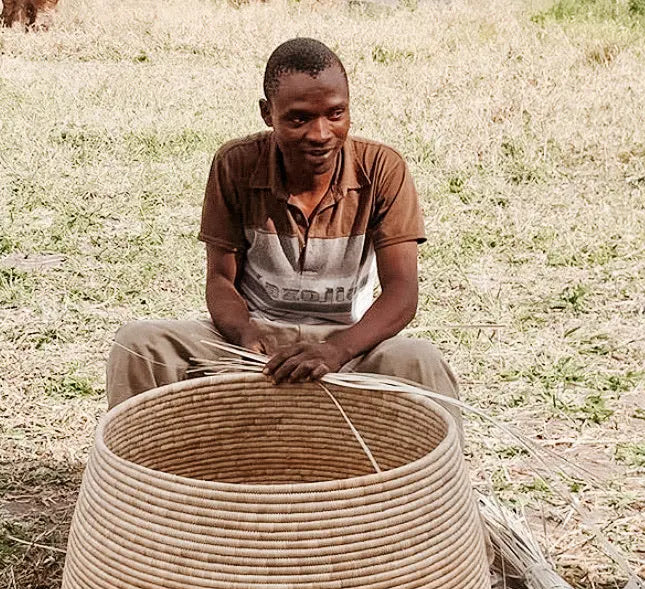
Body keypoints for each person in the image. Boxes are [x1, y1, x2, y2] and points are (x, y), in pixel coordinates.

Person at [107, 37, 462, 436]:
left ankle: (439, 495)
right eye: (298, 119)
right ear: (267, 113)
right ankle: (144, 476)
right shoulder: (236, 164)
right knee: (138, 344)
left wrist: (336, 350)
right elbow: (220, 279)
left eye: (336, 113)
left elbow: (401, 294)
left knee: (421, 362)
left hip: (346, 340)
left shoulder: (382, 168)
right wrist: (243, 333)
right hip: (255, 337)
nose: (321, 133)